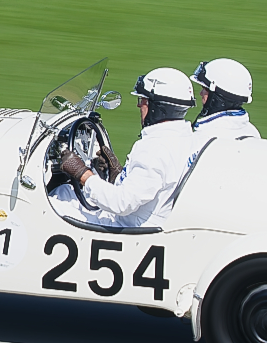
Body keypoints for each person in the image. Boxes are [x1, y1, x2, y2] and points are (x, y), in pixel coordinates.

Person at [57, 67, 200, 229]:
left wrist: (82, 173)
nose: (139, 105)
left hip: (127, 226)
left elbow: (121, 204)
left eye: (143, 100)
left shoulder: (155, 148)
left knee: (54, 204)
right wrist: (118, 176)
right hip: (150, 219)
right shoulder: (188, 139)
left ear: (157, 107)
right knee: (65, 191)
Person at [190, 58, 259, 141]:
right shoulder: (252, 131)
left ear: (217, 97)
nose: (201, 93)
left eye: (205, 89)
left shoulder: (204, 136)